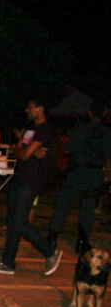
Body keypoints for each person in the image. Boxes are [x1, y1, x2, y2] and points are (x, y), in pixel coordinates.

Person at [0, 97, 62, 275]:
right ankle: (7, 263)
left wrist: (24, 151)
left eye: (30, 107)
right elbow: (19, 148)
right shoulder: (31, 130)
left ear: (40, 109)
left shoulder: (45, 130)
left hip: (31, 180)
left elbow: (25, 153)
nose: (27, 110)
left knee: (20, 221)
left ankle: (50, 250)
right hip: (19, 178)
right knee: (13, 221)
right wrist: (23, 151)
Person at [46, 100, 111, 253]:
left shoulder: (81, 129)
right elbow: (109, 158)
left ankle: (53, 236)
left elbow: (68, 150)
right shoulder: (107, 133)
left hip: (77, 171)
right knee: (88, 209)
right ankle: (83, 241)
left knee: (64, 205)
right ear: (103, 115)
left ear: (89, 113)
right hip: (95, 173)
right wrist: (108, 176)